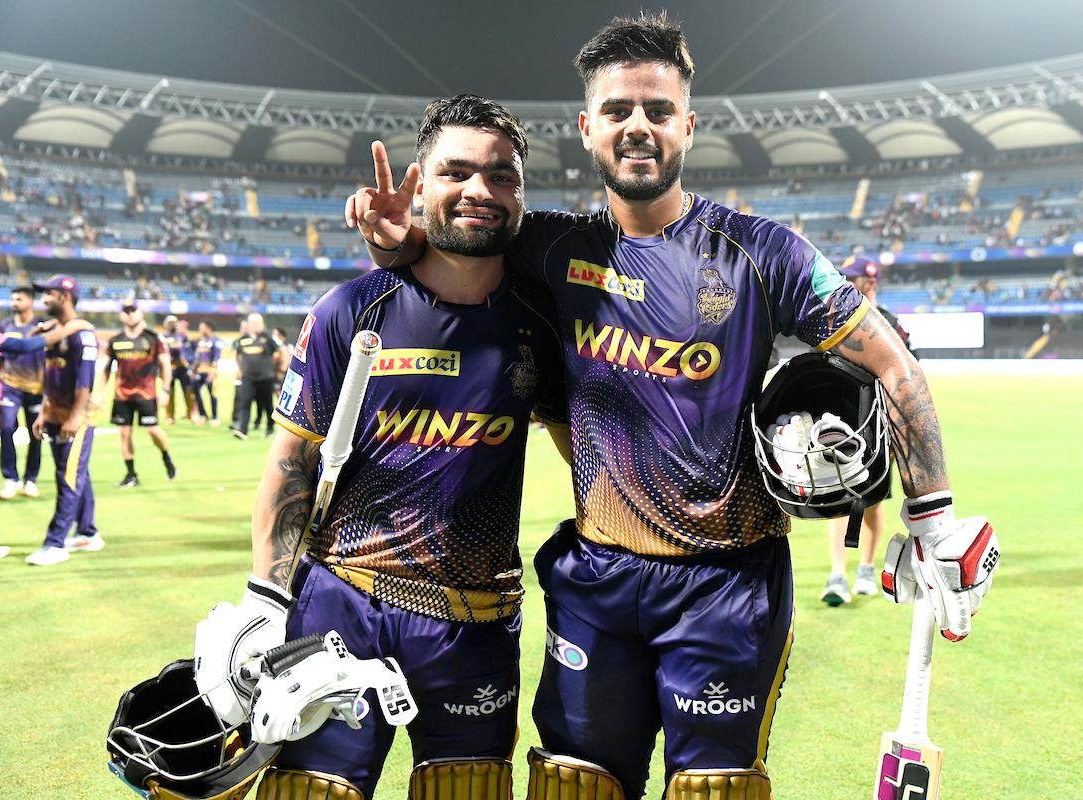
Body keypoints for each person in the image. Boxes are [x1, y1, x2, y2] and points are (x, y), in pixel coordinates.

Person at [352, 14, 998, 799]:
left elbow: (893, 363)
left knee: (715, 792)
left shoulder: (764, 254)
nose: (637, 127)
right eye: (618, 111)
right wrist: (397, 243)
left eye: (657, 111)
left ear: (687, 126)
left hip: (728, 589)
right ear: (588, 128)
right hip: (597, 583)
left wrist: (933, 522)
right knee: (572, 787)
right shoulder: (551, 247)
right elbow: (460, 239)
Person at [199, 95, 564, 800]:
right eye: (457, 173)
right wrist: (265, 599)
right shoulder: (350, 309)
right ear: (420, 182)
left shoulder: (541, 322)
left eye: (503, 176)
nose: (481, 191)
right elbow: (292, 461)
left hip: (476, 620)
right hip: (342, 607)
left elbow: (587, 445)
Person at [820, 255, 918, 606]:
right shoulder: (833, 317)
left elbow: (911, 368)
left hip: (878, 425)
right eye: (856, 276)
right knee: (839, 501)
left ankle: (864, 570)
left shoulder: (889, 321)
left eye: (865, 278)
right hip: (841, 422)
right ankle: (836, 575)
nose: (862, 282)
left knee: (872, 503)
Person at [24, 275, 102, 566]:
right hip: (56, 415)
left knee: (68, 477)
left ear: (65, 297)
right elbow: (50, 378)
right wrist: (44, 412)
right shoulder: (54, 333)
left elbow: (85, 384)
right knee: (75, 472)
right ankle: (88, 532)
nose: (43, 298)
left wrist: (75, 416)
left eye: (49, 293)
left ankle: (55, 543)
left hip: (76, 419)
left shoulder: (82, 335)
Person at [93, 301, 177, 488]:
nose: (129, 314)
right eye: (126, 311)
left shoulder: (153, 338)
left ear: (141, 313)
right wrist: (100, 393)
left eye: (133, 311)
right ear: (121, 315)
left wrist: (165, 390)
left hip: (146, 393)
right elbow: (105, 368)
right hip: (122, 395)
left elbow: (165, 365)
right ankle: (131, 474)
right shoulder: (116, 340)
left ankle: (166, 457)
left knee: (153, 430)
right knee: (124, 433)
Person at [0, 286, 45, 500]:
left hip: (36, 389)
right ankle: (11, 478)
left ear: (31, 302)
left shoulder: (41, 326)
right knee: (6, 427)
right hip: (10, 386)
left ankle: (30, 480)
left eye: (19, 299)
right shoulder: (4, 326)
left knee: (36, 434)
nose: (14, 302)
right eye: (13, 299)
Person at [230, 312, 277, 439]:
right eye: (253, 322)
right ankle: (243, 430)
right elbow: (238, 354)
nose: (255, 325)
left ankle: (270, 428)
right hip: (248, 378)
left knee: (268, 404)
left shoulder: (268, 338)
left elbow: (277, 352)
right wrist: (240, 369)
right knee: (245, 403)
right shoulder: (243, 339)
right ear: (248, 324)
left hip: (266, 377)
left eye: (258, 322)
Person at [160, 314, 195, 424]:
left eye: (173, 322)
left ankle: (190, 414)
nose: (172, 324)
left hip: (182, 368)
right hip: (169, 368)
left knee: (188, 391)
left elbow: (187, 350)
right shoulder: (162, 337)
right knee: (170, 393)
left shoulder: (182, 336)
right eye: (169, 322)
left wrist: (189, 364)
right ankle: (169, 416)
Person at [190, 320, 223, 425]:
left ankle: (215, 417)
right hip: (199, 371)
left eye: (202, 327)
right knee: (196, 392)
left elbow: (216, 357)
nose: (199, 329)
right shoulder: (200, 341)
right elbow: (197, 357)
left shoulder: (216, 340)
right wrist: (193, 370)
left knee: (212, 394)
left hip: (210, 371)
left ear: (208, 328)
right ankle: (202, 414)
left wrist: (213, 372)